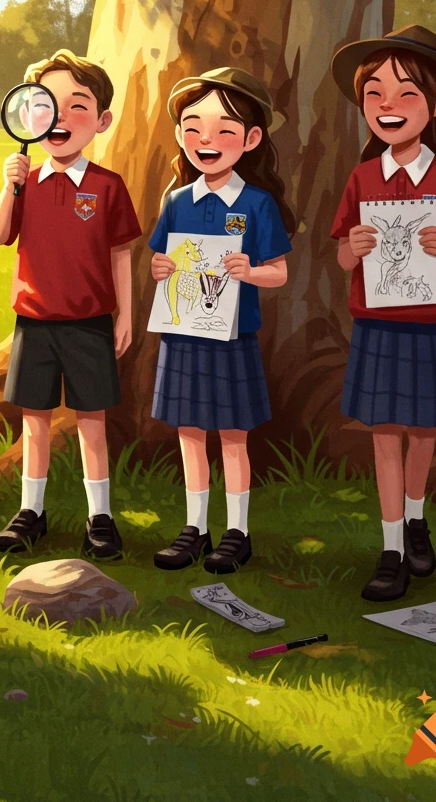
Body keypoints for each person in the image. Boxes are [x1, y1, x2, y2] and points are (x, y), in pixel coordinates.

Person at [330, 24, 436, 602]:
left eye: (405, 95)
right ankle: (391, 546)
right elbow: (342, 250)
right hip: (376, 326)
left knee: (423, 431)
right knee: (384, 433)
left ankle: (416, 517)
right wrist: (357, 248)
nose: (388, 107)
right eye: (375, 94)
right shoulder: (362, 177)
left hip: (429, 327)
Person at [0, 50, 142, 560]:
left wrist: (127, 316)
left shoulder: (107, 186)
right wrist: (11, 186)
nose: (60, 118)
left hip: (90, 323)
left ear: (101, 121)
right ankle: (31, 510)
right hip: (33, 321)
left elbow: (122, 254)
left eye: (78, 106)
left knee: (90, 422)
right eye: (46, 105)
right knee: (34, 420)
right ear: (28, 115)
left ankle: (100, 517)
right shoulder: (26, 182)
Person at [148, 69, 294, 574]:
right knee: (189, 433)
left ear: (252, 139)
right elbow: (159, 260)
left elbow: (279, 273)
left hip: (232, 337)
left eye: (224, 130)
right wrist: (159, 268)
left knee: (233, 435)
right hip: (183, 333)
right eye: (193, 127)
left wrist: (250, 271)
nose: (206, 141)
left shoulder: (257, 204)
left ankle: (237, 531)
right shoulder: (175, 201)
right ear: (180, 135)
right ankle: (194, 527)